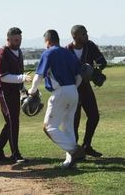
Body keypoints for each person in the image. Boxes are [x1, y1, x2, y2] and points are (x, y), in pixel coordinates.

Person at [28, 29, 85, 169]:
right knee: (68, 127)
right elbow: (80, 75)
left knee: (48, 127)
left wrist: (32, 91)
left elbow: (38, 76)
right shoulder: (67, 52)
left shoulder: (48, 52)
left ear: (47, 41)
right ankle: (70, 161)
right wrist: (73, 88)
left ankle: (75, 150)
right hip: (73, 90)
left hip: (61, 92)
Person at [0, 27, 31, 164]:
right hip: (5, 92)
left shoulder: (18, 52)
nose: (18, 42)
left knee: (11, 122)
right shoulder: (2, 52)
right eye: (15, 40)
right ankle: (15, 154)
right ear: (8, 39)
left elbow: (19, 73)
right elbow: (3, 77)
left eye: (20, 39)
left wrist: (23, 88)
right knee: (13, 121)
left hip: (14, 92)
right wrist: (22, 78)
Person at [66, 25, 107, 157]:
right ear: (76, 36)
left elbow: (102, 61)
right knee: (75, 120)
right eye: (84, 34)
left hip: (85, 87)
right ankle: (74, 150)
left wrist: (96, 71)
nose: (87, 36)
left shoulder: (90, 46)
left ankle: (87, 145)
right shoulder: (67, 50)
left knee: (94, 115)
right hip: (73, 89)